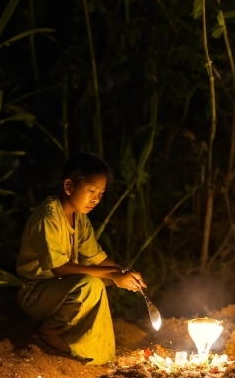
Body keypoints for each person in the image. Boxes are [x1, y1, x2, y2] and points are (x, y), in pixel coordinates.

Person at [16, 152, 146, 364]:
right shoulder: (48, 217)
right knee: (90, 284)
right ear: (69, 186)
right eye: (91, 190)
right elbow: (59, 269)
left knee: (102, 280)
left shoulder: (80, 219)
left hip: (60, 289)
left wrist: (124, 274)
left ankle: (91, 347)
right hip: (36, 293)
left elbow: (97, 258)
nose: (96, 198)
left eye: (101, 193)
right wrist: (114, 274)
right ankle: (49, 331)